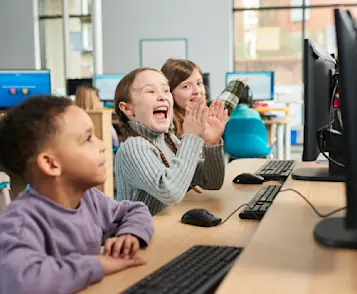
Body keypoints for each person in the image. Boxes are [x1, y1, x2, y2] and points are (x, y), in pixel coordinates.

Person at [0, 96, 154, 294]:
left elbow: (134, 210)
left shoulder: (90, 199)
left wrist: (130, 234)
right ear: (50, 164)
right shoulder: (20, 223)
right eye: (88, 139)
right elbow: (22, 282)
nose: (103, 145)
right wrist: (98, 264)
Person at [114, 68, 227, 215]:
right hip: (138, 235)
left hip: (164, 228)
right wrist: (191, 137)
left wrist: (212, 143)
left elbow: (212, 182)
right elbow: (170, 193)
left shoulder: (170, 141)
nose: (162, 96)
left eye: (166, 90)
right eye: (150, 91)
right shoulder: (134, 147)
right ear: (127, 109)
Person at [161, 58, 246, 138]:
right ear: (169, 92)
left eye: (199, 83)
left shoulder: (204, 115)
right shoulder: (165, 123)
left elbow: (221, 108)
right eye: (186, 86)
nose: (197, 91)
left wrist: (237, 85)